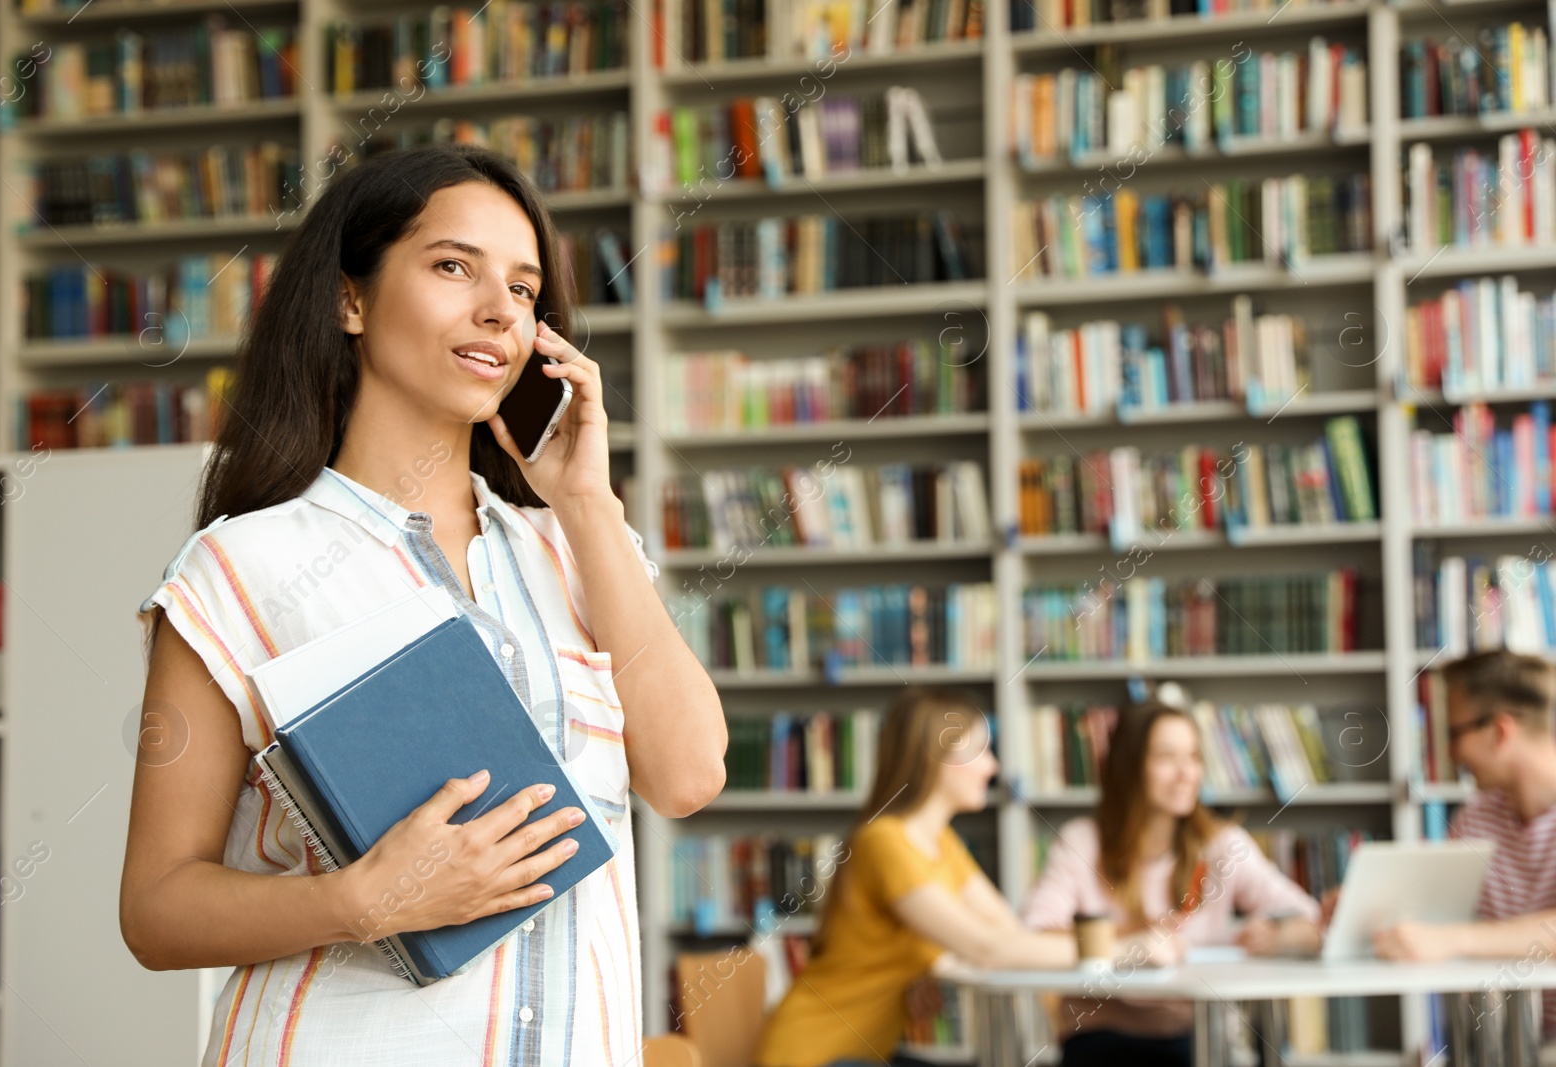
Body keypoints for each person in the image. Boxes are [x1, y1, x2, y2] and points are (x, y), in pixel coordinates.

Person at [117, 144, 727, 1066]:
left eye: (524, 290)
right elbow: (157, 911)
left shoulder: (579, 547)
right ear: (349, 299)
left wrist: (588, 501)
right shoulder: (242, 565)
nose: (498, 311)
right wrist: (364, 901)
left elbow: (688, 775)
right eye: (453, 266)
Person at [753, 687, 1165, 1067]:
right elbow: (989, 948)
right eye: (981, 750)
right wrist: (1129, 948)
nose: (993, 765)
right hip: (814, 1056)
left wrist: (1118, 936)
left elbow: (1008, 931)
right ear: (938, 758)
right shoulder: (885, 842)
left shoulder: (941, 843)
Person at [1021, 699, 1323, 1067]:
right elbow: (1033, 936)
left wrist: (1285, 935)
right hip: (1100, 1035)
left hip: (1200, 1036)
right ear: (1130, 767)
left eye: (1194, 757)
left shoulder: (1223, 846)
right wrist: (1127, 939)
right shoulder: (1082, 842)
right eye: (1166, 758)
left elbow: (1313, 919)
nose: (1186, 773)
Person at [1373, 649, 1556, 1039]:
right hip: (1519, 1044)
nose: (1452, 753)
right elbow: (1438, 911)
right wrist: (1370, 909)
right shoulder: (1477, 818)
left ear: (1500, 731)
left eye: (1455, 734)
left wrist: (1454, 939)